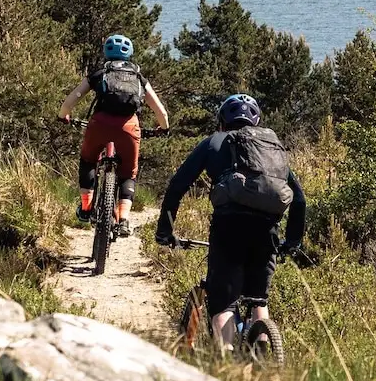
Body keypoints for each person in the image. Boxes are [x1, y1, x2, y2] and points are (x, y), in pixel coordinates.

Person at [156, 93, 306, 350]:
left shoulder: (213, 142)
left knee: (223, 303)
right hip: (267, 230)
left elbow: (177, 186)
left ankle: (225, 361)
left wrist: (165, 231)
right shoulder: (270, 150)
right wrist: (292, 241)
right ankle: (263, 355)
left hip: (229, 228)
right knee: (258, 300)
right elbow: (299, 199)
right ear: (256, 121)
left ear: (222, 120)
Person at [60, 33, 169, 237]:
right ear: (130, 54)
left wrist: (63, 115)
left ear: (106, 52)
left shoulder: (100, 73)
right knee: (128, 173)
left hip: (99, 124)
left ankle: (86, 208)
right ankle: (124, 219)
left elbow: (73, 98)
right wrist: (163, 128)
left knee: (88, 160)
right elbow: (161, 112)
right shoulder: (138, 77)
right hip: (129, 127)